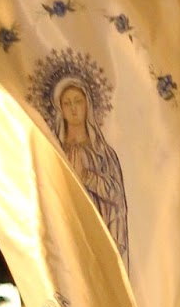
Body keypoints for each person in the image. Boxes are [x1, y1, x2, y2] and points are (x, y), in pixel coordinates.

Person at [50, 77, 130, 268]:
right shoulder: (55, 151)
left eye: (78, 101)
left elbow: (117, 196)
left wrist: (87, 176)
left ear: (87, 105)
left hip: (98, 232)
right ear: (60, 109)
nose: (74, 108)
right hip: (67, 232)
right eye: (67, 103)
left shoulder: (103, 153)